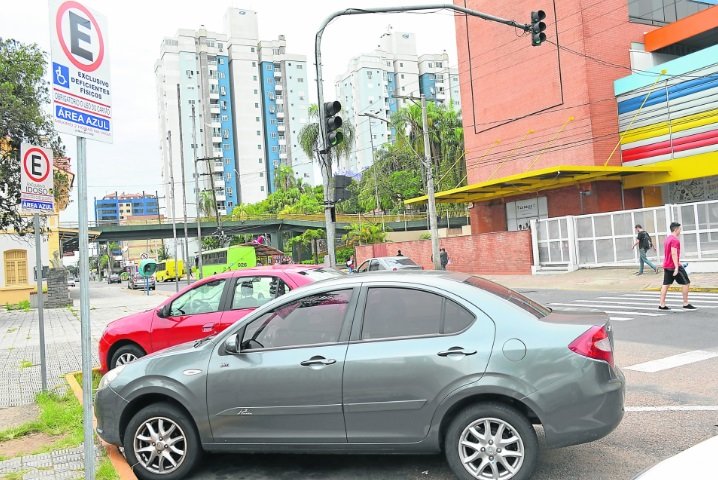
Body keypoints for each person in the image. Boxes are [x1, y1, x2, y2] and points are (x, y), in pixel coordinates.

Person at [659, 222, 696, 310]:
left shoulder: (667, 239)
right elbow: (674, 253)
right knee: (686, 282)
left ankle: (662, 304)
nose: (680, 231)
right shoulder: (675, 240)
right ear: (676, 229)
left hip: (667, 265)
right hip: (674, 266)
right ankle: (685, 303)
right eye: (679, 229)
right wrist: (676, 267)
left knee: (666, 284)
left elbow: (667, 252)